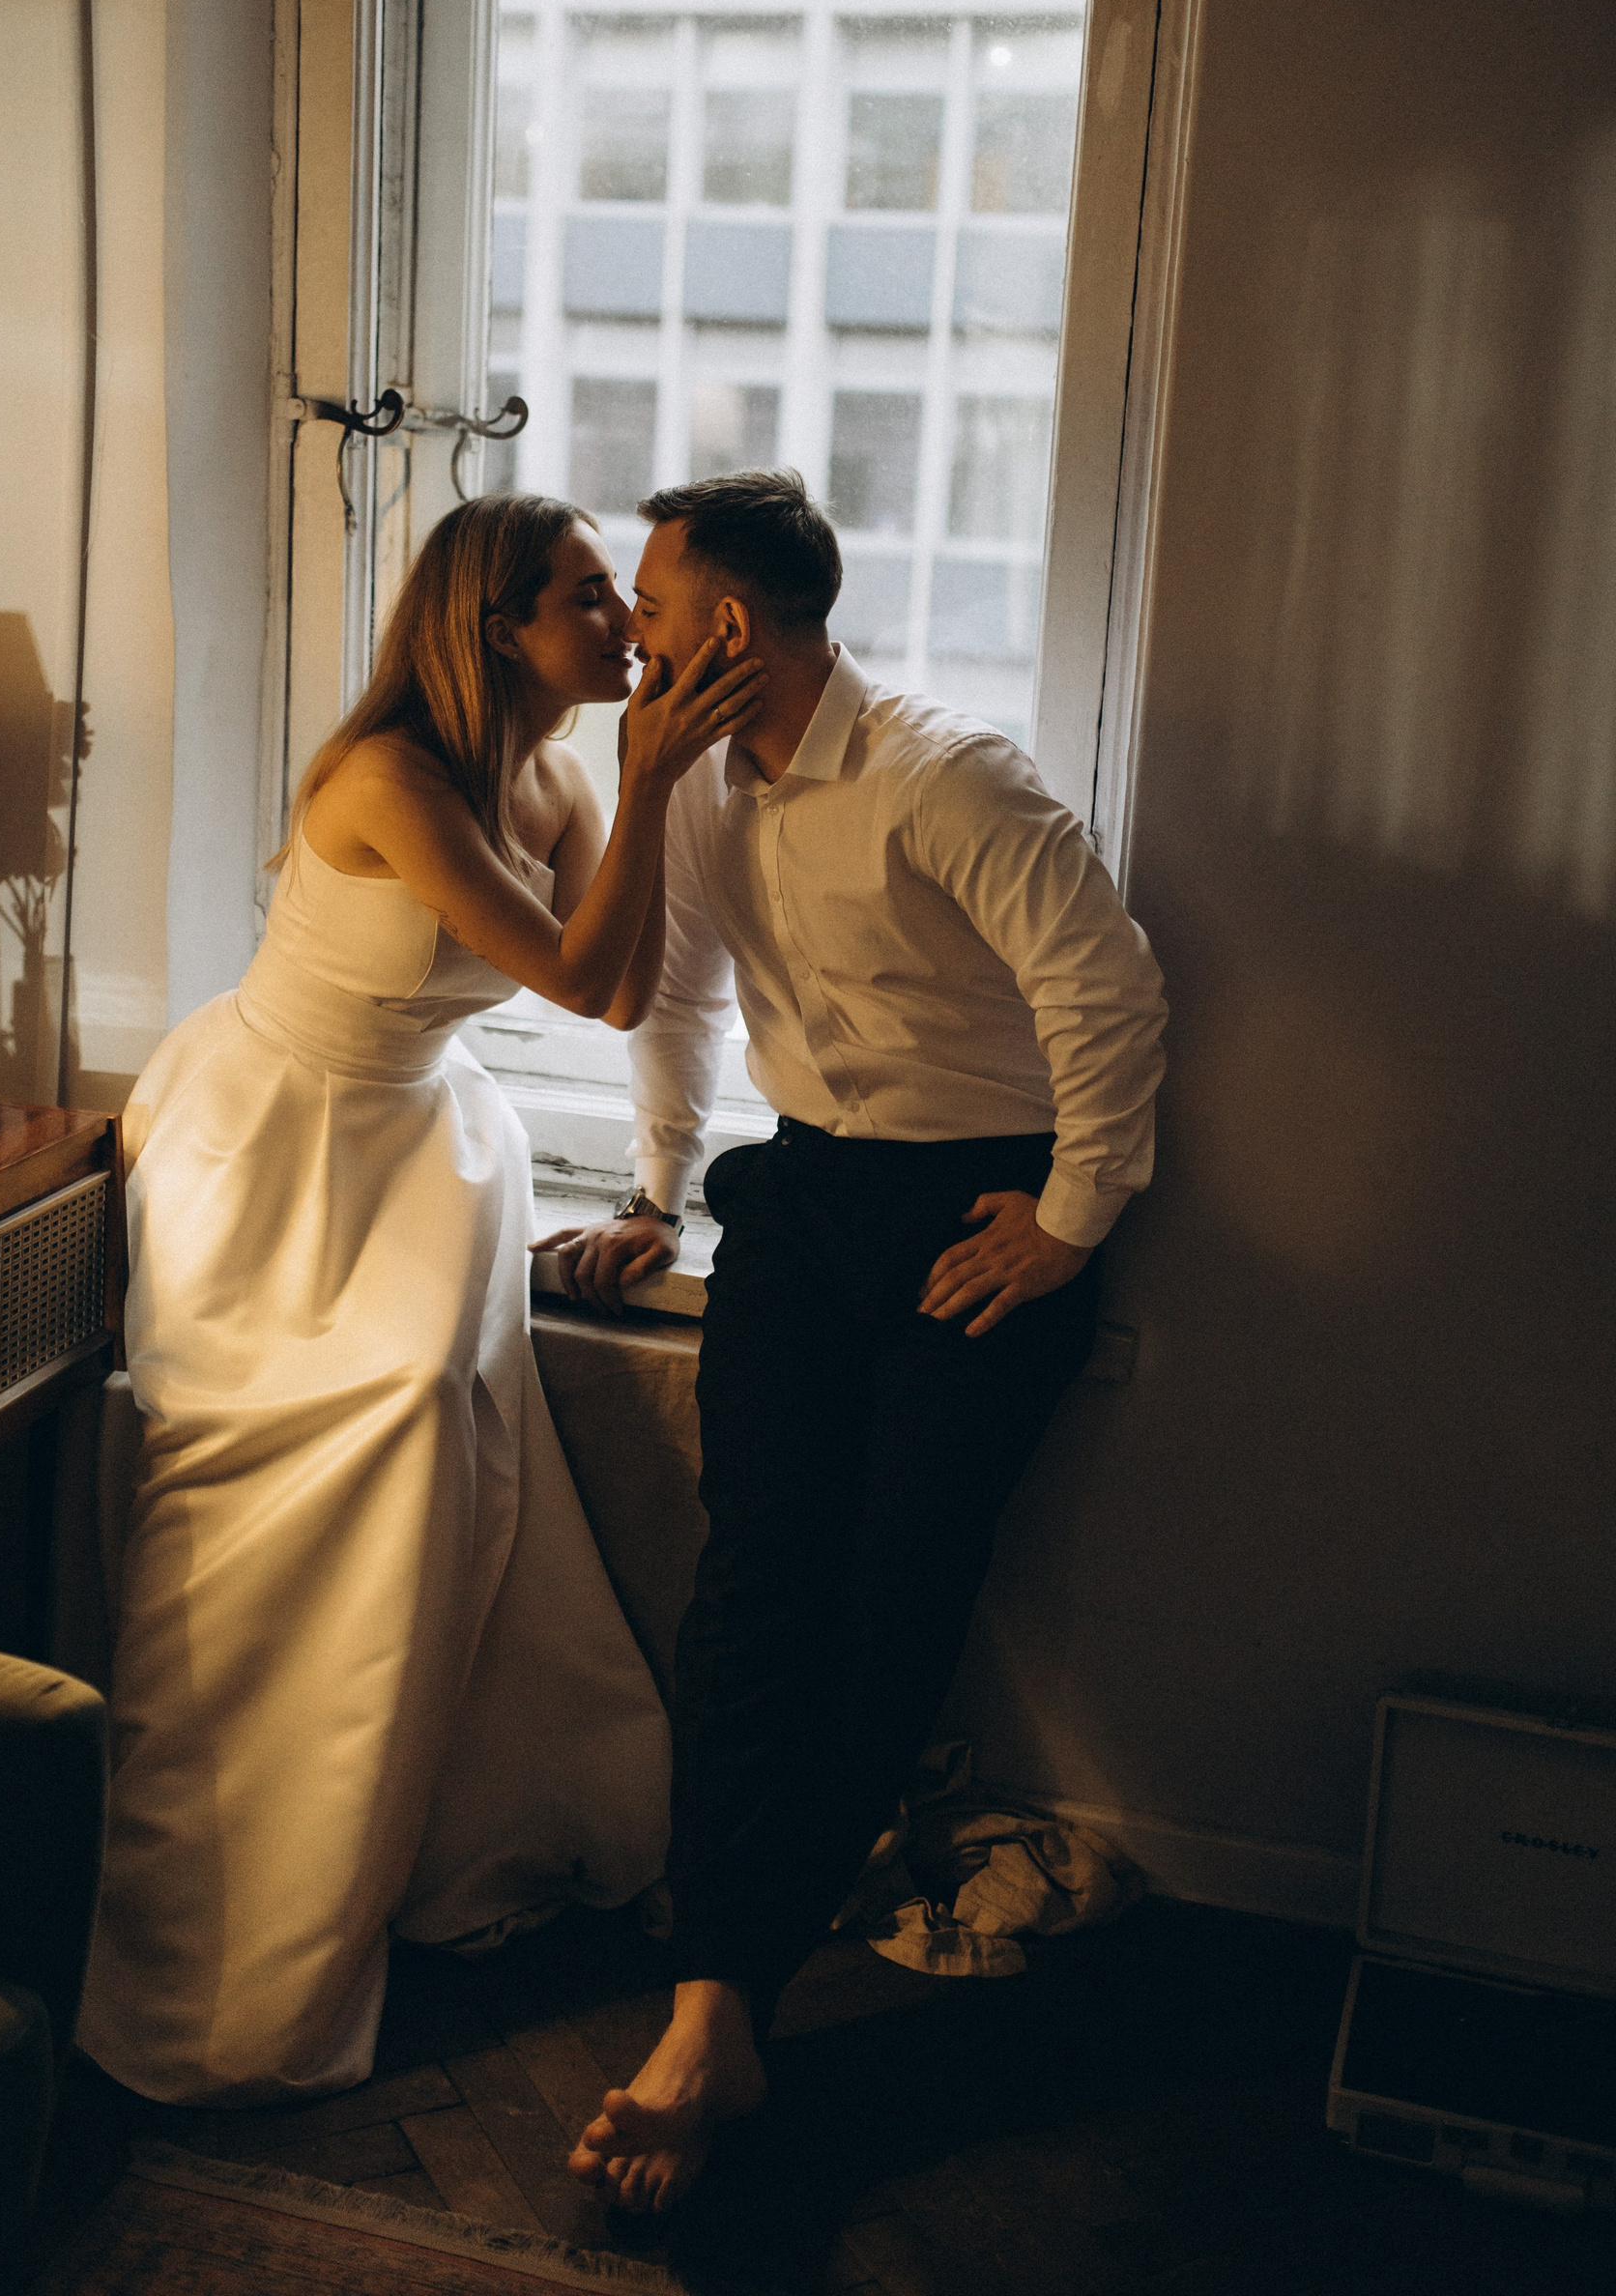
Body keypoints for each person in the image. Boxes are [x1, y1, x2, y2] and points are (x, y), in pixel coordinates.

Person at [76, 495, 765, 2106]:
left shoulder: (559, 777)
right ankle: (222, 1917)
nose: (625, 625)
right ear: (495, 629)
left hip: (423, 1150)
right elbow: (577, 975)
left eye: (619, 594)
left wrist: (658, 1189)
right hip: (271, 1147)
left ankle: (441, 1828)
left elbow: (638, 989)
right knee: (337, 1452)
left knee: (452, 1457)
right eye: (586, 597)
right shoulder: (387, 779)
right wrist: (658, 771)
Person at [540, 471, 1168, 2213]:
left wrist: (1070, 1223)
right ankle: (715, 2005)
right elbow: (673, 996)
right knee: (750, 1591)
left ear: (729, 626)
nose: (633, 638)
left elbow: (1108, 993)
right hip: (805, 1200)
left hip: (979, 1218)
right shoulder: (693, 784)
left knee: (891, 1597)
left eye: (650, 608)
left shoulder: (946, 776)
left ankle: (718, 2011)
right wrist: (657, 1192)